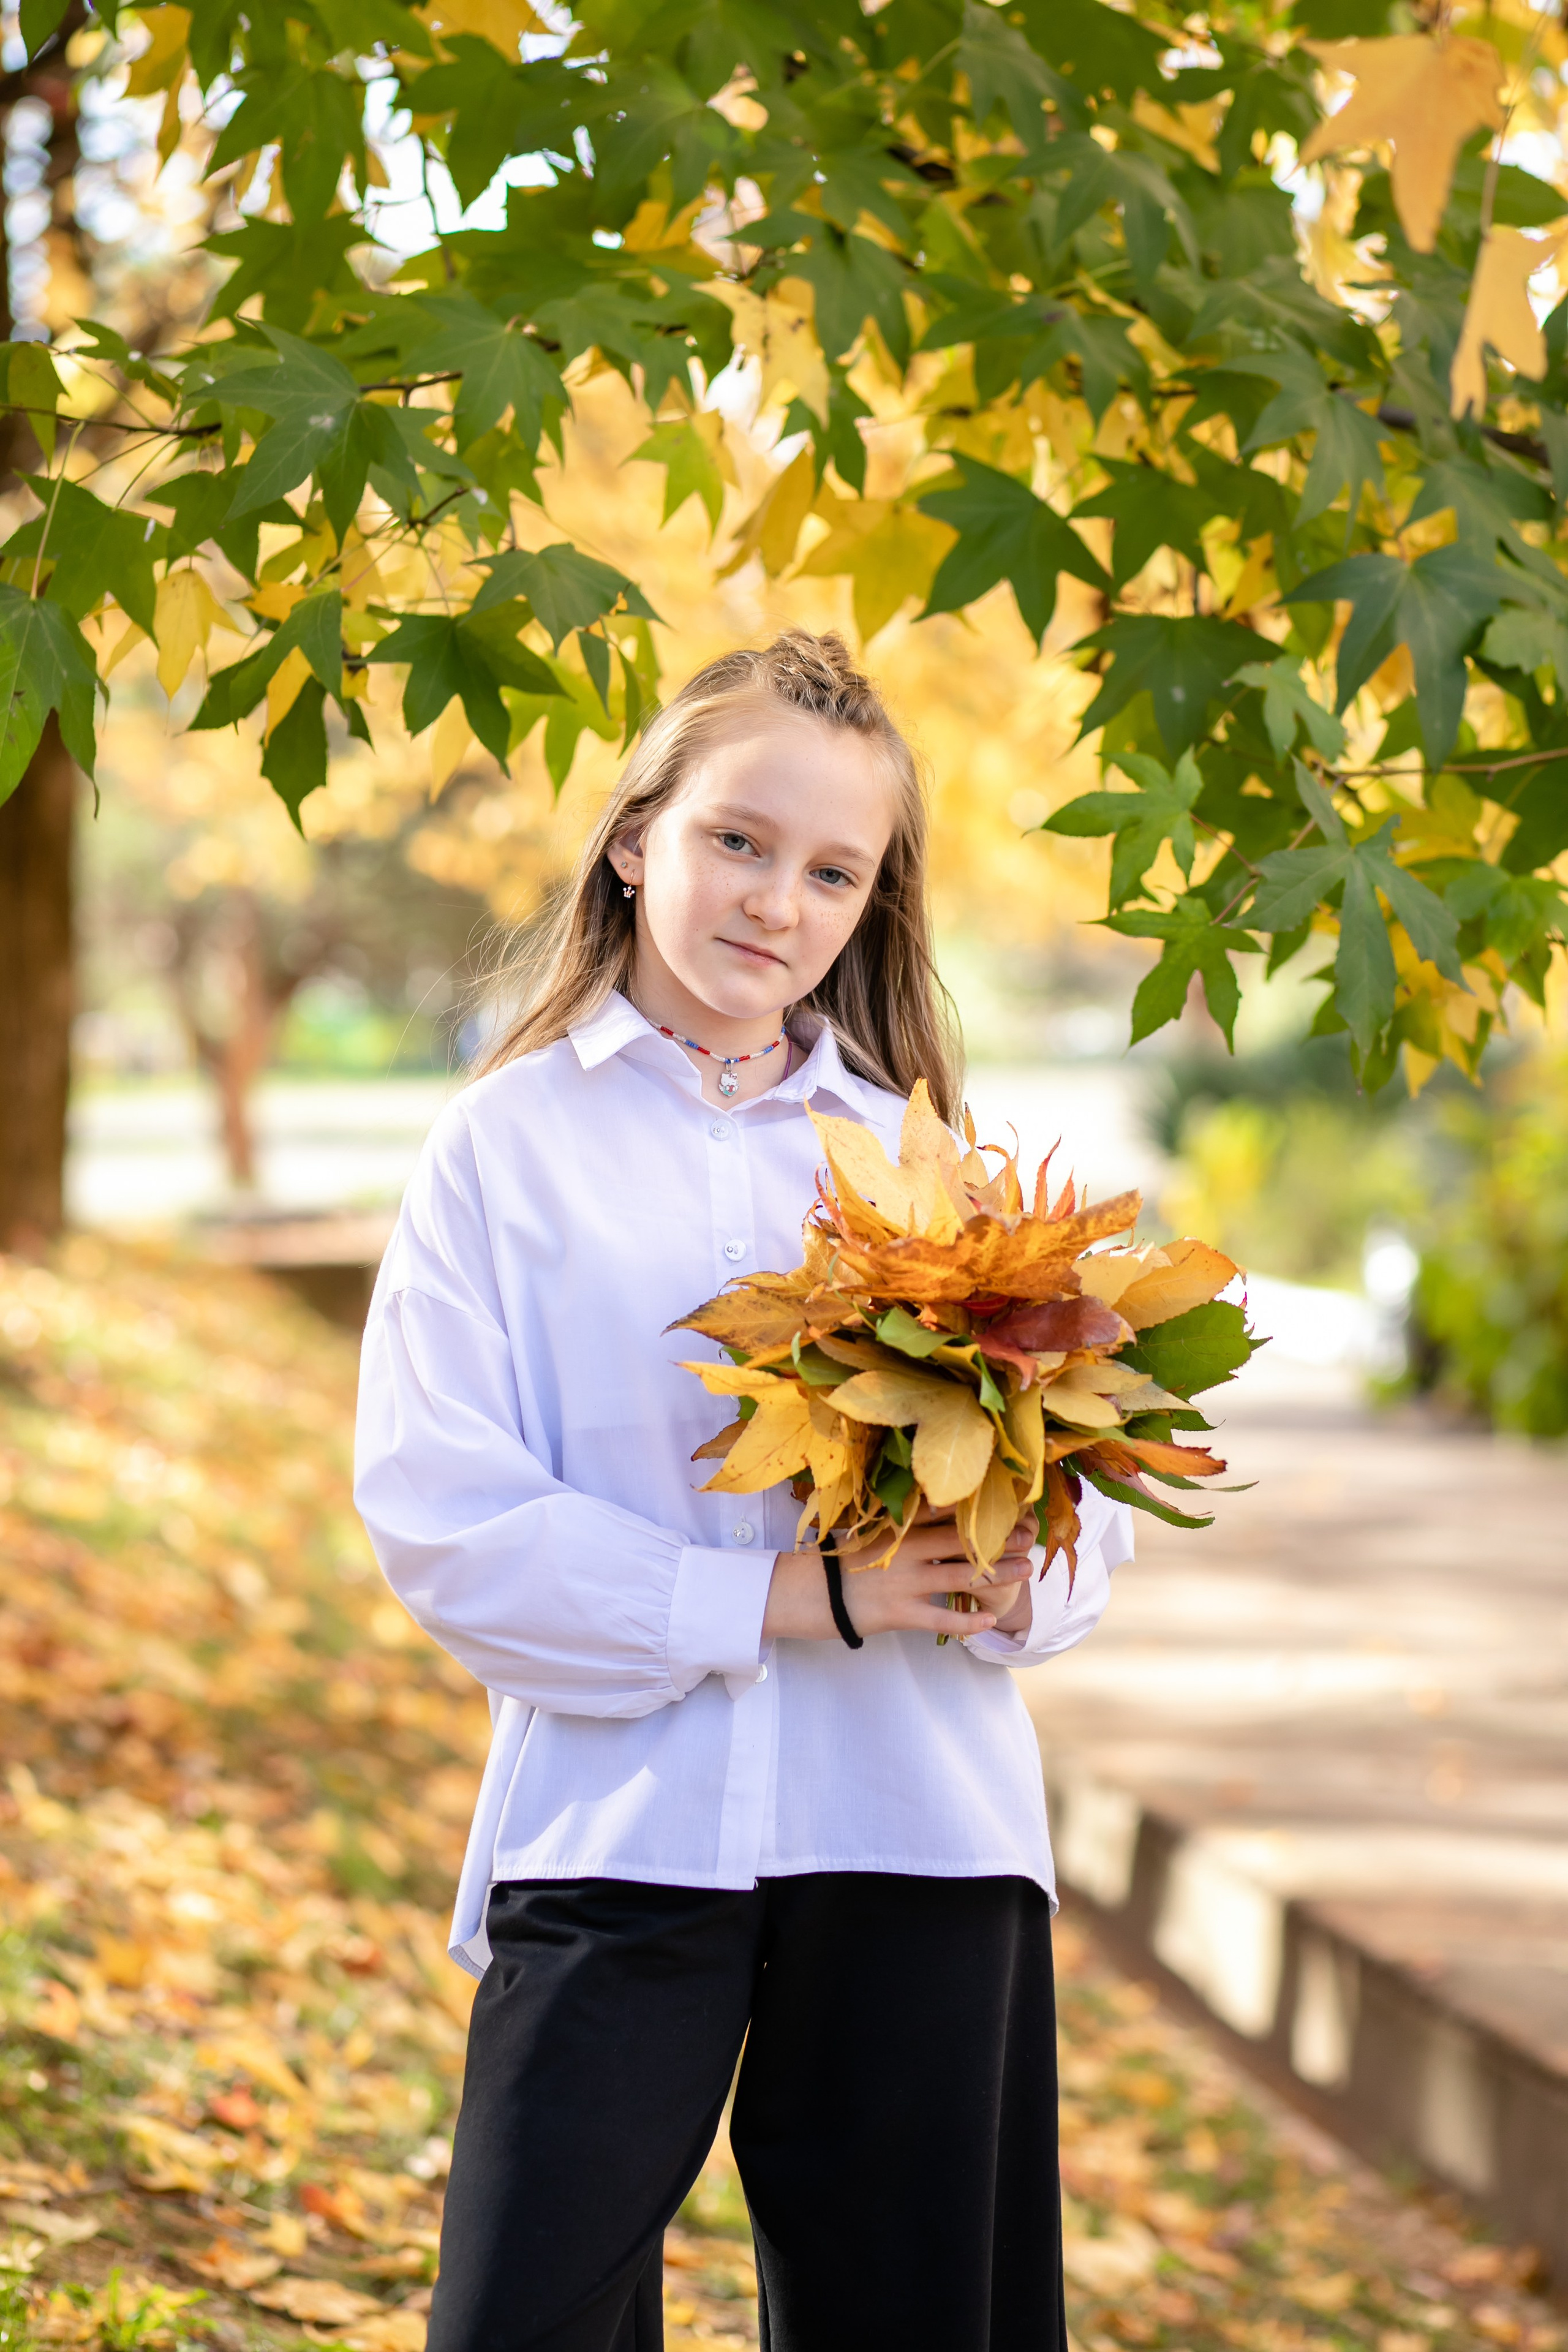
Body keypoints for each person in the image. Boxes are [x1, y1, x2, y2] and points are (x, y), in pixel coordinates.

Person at [353, 630, 1131, 2352]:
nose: (778, 901)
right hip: (618, 1830)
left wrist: (1024, 1575)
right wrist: (778, 1600)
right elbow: (442, 1506)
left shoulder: (939, 1167)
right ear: (638, 838)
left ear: (873, 902)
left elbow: (1086, 1511)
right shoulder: (504, 1149)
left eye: (833, 869)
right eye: (739, 841)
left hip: (917, 1829)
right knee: (521, 2320)